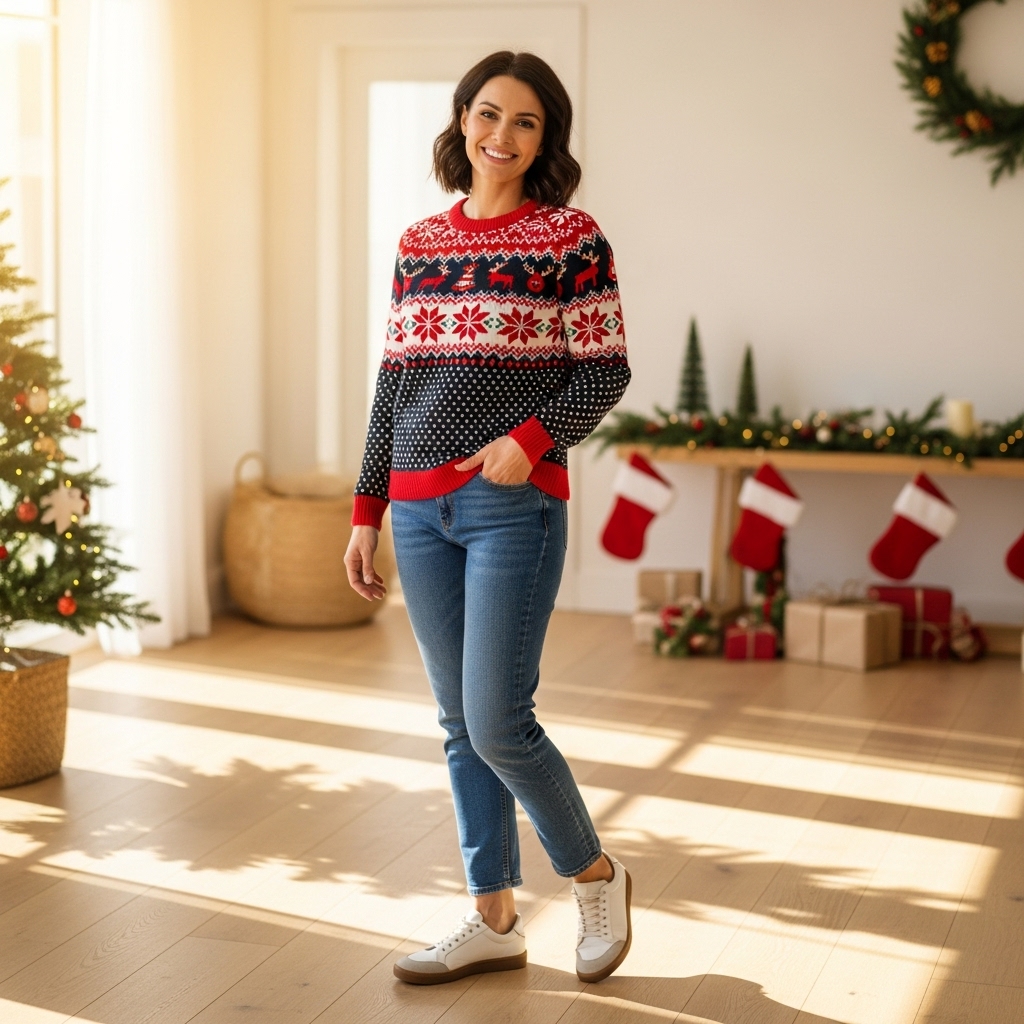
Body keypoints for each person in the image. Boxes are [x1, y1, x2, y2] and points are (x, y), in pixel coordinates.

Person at [345, 50, 631, 986]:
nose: (501, 136)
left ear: (546, 140)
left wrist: (535, 438)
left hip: (515, 507)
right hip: (421, 512)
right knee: (458, 724)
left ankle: (594, 874)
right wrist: (367, 508)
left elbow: (605, 367)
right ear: (462, 118)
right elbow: (395, 383)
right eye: (489, 114)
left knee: (499, 719)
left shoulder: (571, 239)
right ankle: (494, 920)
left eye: (527, 123)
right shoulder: (421, 243)